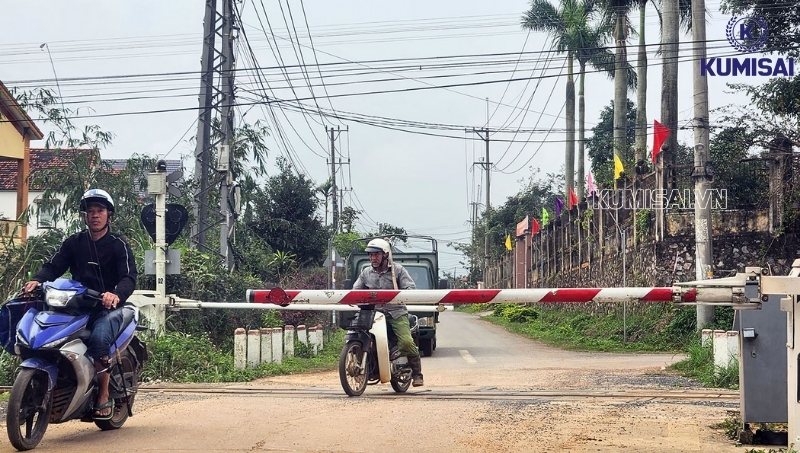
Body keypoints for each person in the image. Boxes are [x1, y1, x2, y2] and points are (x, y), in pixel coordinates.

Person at [23, 188, 137, 420]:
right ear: (85, 216)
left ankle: (103, 394)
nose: (95, 215)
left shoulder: (118, 245)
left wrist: (115, 294)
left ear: (109, 215)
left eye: (100, 211)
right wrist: (37, 279)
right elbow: (53, 265)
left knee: (98, 339)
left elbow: (129, 277)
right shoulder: (74, 242)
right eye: (90, 211)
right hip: (75, 306)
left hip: (106, 309)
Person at [352, 238, 424, 386]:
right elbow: (355, 290)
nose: (373, 258)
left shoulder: (398, 270)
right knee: (358, 334)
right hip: (374, 314)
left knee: (405, 342)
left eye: (376, 254)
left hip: (396, 312)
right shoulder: (366, 272)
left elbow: (411, 289)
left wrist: (400, 296)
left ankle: (417, 373)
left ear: (385, 254)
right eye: (370, 255)